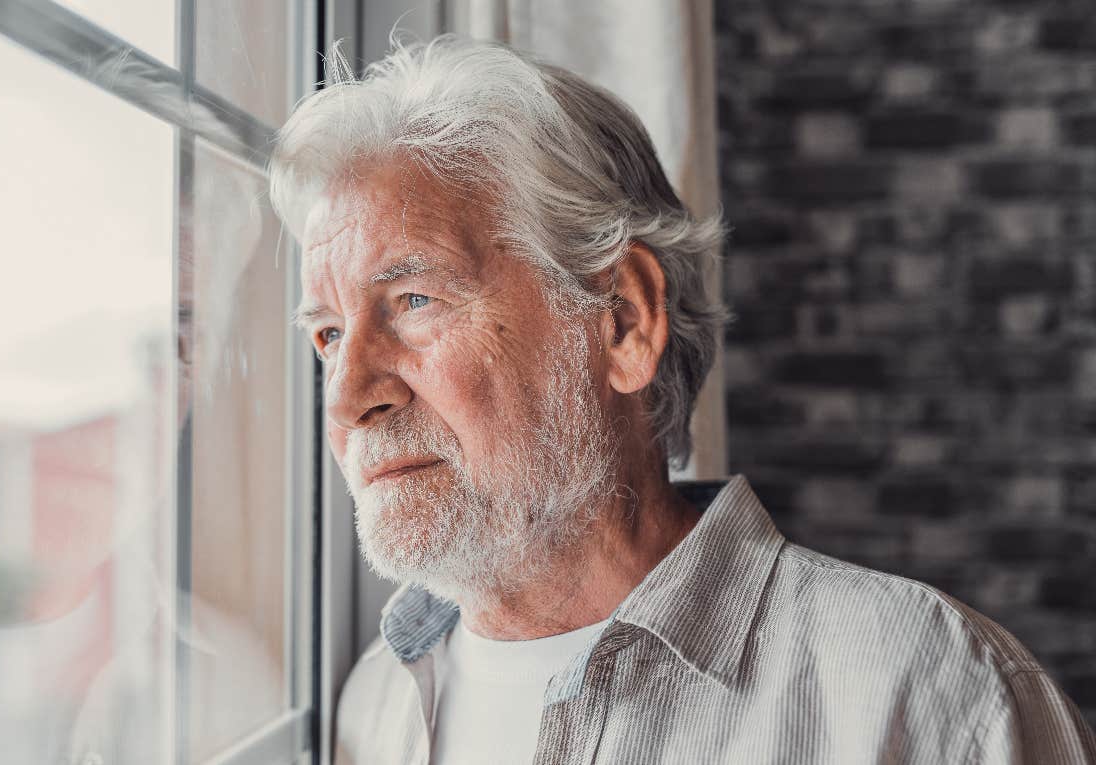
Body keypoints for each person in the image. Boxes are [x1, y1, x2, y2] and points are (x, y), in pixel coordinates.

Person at [269, 35, 1096, 764]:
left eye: (414, 300)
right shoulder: (373, 702)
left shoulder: (927, 692)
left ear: (623, 321)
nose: (347, 399)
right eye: (329, 334)